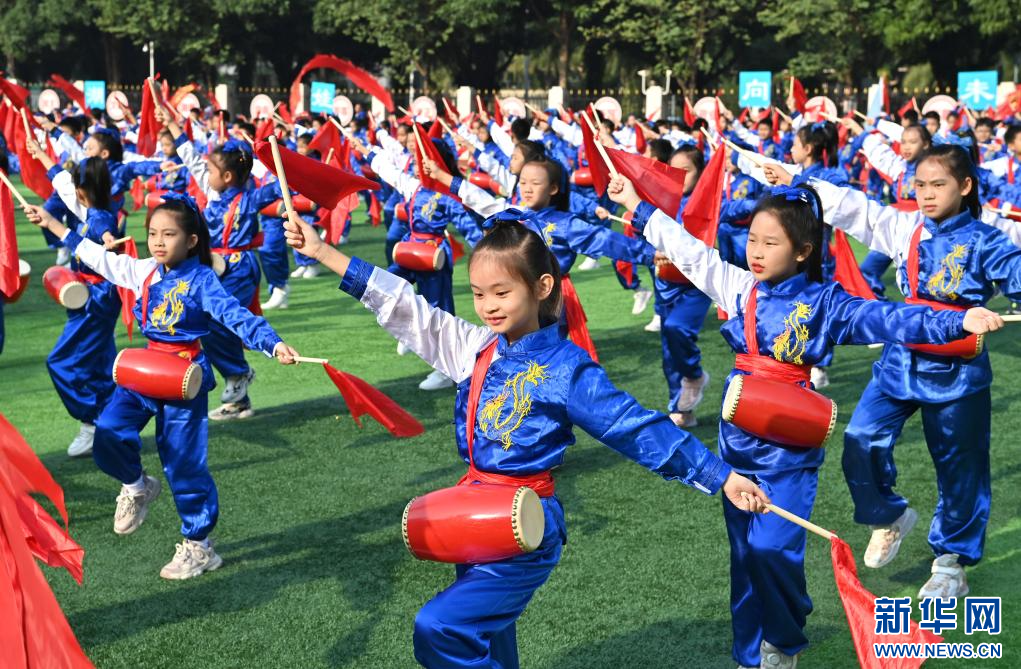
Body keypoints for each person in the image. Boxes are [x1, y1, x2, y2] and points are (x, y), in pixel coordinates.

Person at [282, 206, 771, 668]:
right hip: (473, 514)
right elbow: (404, 306)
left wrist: (720, 476)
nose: (488, 306)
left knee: (440, 627)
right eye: (478, 294)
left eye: (501, 292)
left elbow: (632, 426)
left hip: (525, 525)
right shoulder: (475, 348)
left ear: (542, 287)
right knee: (487, 636)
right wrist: (322, 251)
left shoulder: (566, 368)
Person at [606, 172, 1002, 669]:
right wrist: (636, 203)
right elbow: (688, 251)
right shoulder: (741, 288)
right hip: (737, 441)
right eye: (752, 239)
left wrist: (956, 320)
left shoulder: (826, 302)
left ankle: (782, 643)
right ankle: (751, 654)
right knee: (745, 554)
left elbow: (890, 318)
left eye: (770, 243)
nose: (756, 252)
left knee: (772, 550)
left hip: (789, 444)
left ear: (802, 251)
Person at [770, 145, 1021, 599]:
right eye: (920, 185)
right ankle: (888, 515)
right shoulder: (905, 228)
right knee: (860, 438)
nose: (926, 194)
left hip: (957, 371)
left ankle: (951, 563)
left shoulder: (988, 239)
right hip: (901, 358)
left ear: (965, 186)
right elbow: (855, 209)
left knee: (960, 468)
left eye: (938, 185)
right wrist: (795, 179)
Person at [23, 195, 299, 579]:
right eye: (153, 233)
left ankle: (200, 546)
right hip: (145, 370)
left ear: (191, 240)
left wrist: (273, 343)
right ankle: (137, 485)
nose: (157, 241)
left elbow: (235, 315)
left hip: (185, 377)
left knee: (184, 463)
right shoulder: (144, 270)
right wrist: (52, 223)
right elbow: (98, 257)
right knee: (108, 431)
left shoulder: (202, 279)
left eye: (168, 234)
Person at [156, 103, 285, 419]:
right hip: (211, 266)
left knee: (218, 320)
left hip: (240, 266)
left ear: (227, 176)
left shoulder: (250, 198)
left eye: (211, 171)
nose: (205, 173)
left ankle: (237, 375)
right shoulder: (212, 193)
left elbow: (282, 185)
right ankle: (238, 391)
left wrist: (289, 169)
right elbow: (189, 155)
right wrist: (171, 123)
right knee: (204, 323)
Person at [28, 141, 121, 458]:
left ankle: (91, 421)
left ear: (83, 191)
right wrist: (41, 154)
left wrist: (109, 239)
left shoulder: (99, 217)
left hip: (96, 298)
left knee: (61, 363)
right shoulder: (85, 206)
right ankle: (110, 420)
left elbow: (105, 229)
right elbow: (62, 181)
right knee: (101, 362)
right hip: (92, 295)